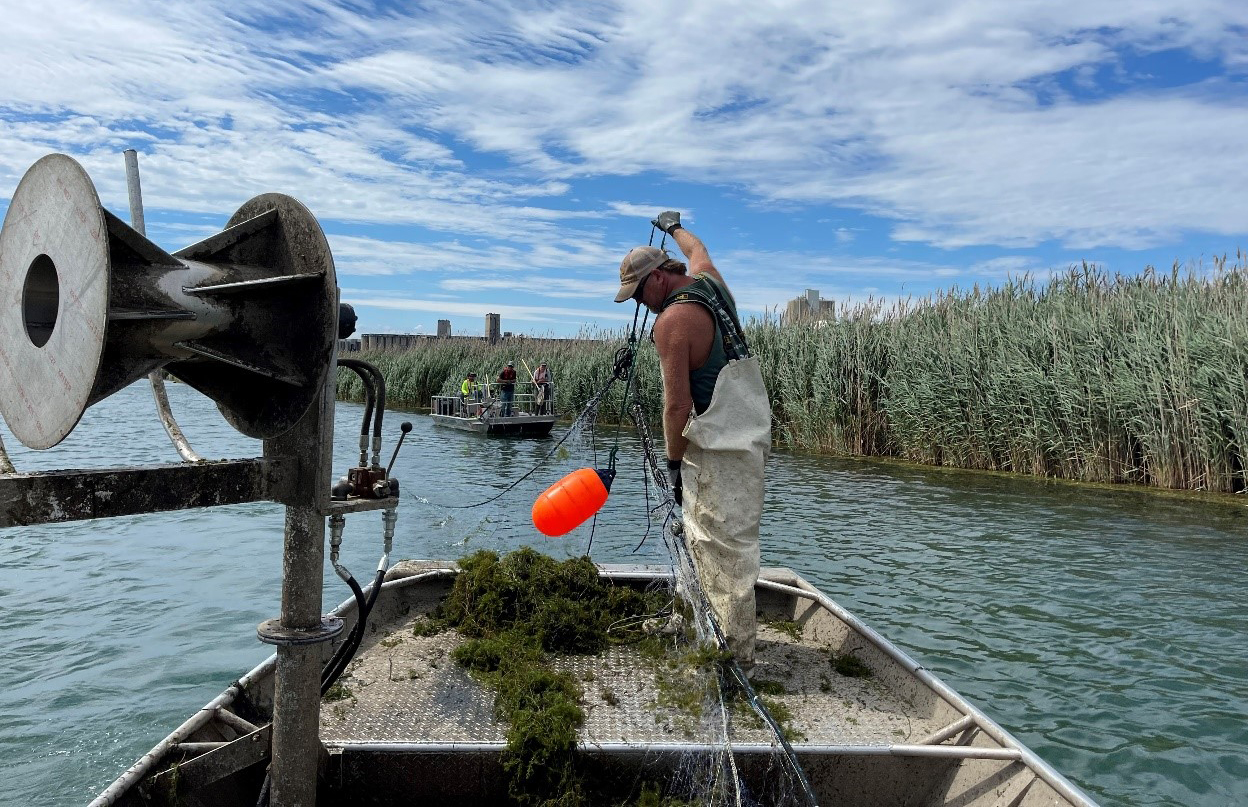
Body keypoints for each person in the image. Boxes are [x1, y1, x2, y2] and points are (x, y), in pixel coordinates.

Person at [613, 211, 771, 671]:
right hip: (750, 429)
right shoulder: (710, 282)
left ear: (660, 277)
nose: (641, 303)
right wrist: (672, 227)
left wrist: (672, 464)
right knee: (698, 533)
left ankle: (734, 656)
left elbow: (676, 406)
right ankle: (692, 619)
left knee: (725, 544)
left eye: (641, 292)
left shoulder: (672, 323)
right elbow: (696, 248)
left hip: (718, 444)